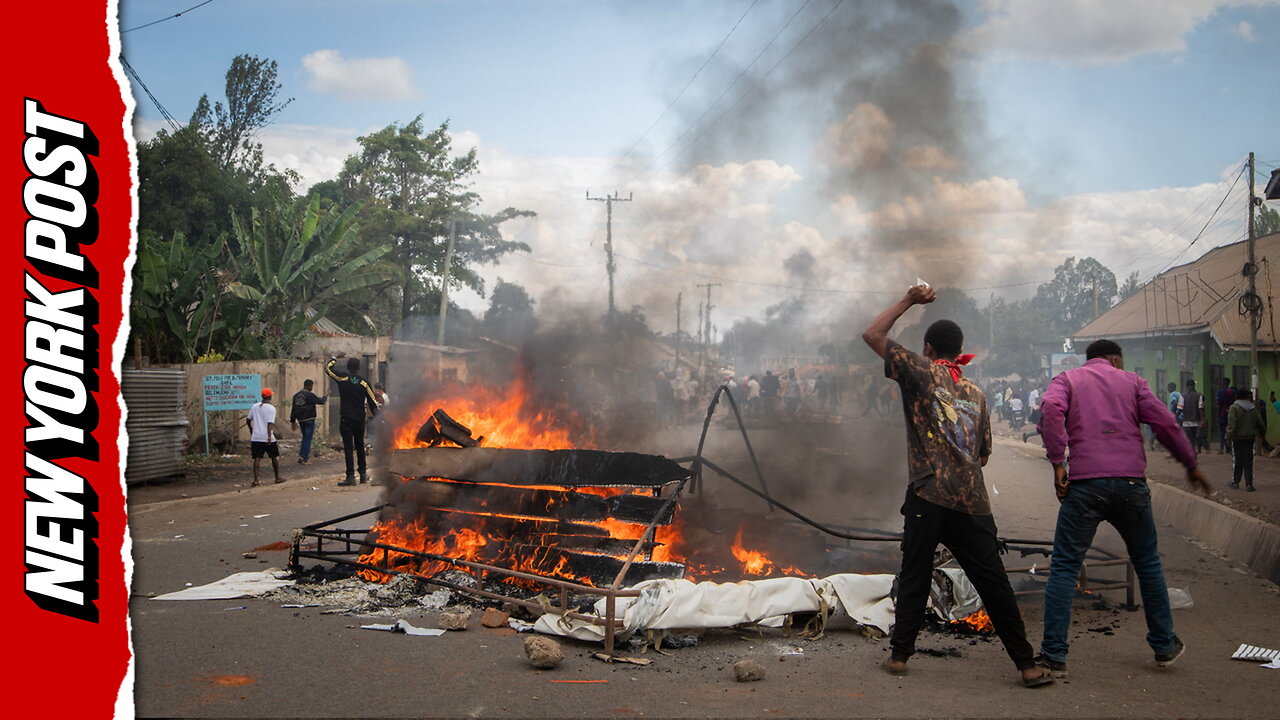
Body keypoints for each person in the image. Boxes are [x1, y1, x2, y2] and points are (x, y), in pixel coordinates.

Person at [861, 284, 1053, 688]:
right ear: (957, 350)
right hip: (972, 501)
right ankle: (1027, 665)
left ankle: (899, 658)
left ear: (929, 348)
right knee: (993, 581)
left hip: (928, 494)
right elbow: (983, 454)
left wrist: (909, 301)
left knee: (915, 572)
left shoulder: (918, 371)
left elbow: (872, 335)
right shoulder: (977, 394)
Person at [1034, 339, 1211, 677]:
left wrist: (1058, 463)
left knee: (1065, 567)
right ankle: (1164, 645)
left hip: (1085, 486)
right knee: (1147, 564)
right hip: (1131, 486)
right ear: (1115, 359)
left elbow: (1051, 411)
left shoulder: (1067, 380)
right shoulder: (1132, 383)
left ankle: (1054, 654)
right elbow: (1165, 424)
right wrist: (1190, 464)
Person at [326, 356, 379, 486]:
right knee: (360, 445)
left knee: (349, 447)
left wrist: (334, 358)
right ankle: (362, 475)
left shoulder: (343, 378)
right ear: (358, 368)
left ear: (348, 367)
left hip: (346, 418)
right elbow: (372, 402)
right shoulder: (364, 382)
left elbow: (328, 369)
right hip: (360, 419)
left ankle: (350, 477)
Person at [1226, 389, 1266, 491]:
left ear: (1236, 397)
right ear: (1247, 397)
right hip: (1250, 438)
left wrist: (1228, 437)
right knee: (1249, 461)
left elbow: (1232, 425)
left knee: (1238, 460)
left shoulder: (1234, 408)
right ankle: (1249, 484)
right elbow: (1261, 423)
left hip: (1238, 438)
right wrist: (1262, 433)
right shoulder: (1253, 408)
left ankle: (1235, 482)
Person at [245, 388, 283, 487]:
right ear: (270, 397)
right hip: (267, 437)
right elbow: (270, 423)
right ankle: (277, 477)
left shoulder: (255, 406)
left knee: (257, 458)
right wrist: (269, 436)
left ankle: (256, 480)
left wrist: (251, 429)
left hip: (256, 437)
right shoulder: (271, 408)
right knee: (274, 457)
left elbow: (248, 420)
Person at [289, 379, 326, 465]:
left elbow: (293, 409)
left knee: (305, 438)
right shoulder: (309, 395)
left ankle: (301, 456)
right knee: (308, 438)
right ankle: (304, 458)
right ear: (310, 386)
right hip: (309, 419)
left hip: (301, 420)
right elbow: (321, 401)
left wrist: (293, 422)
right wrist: (326, 395)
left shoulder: (296, 395)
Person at [1180, 379, 1205, 456]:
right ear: (1194, 385)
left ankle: (1192, 452)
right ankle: (1193, 452)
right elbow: (1200, 408)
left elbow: (1179, 408)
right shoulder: (1199, 395)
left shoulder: (1182, 396)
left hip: (1186, 421)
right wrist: (1202, 419)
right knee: (1193, 437)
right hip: (1195, 421)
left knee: (1189, 438)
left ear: (1187, 386)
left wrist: (1174, 417)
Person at [1215, 378, 1235, 454]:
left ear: (1223, 383)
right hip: (1231, 414)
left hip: (1222, 414)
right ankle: (1230, 449)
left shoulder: (1220, 392)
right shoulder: (1233, 392)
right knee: (1231, 431)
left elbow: (1218, 403)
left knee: (1222, 432)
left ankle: (1221, 449)